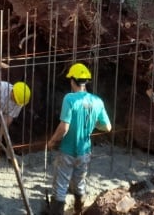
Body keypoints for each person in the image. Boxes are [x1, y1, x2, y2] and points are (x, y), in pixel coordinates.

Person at [46, 63, 112, 215]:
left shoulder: (69, 99)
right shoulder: (97, 101)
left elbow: (64, 127)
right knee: (80, 184)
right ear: (86, 82)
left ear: (72, 81)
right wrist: (92, 123)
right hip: (85, 151)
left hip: (67, 150)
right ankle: (78, 211)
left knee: (61, 187)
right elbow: (107, 127)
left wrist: (53, 141)